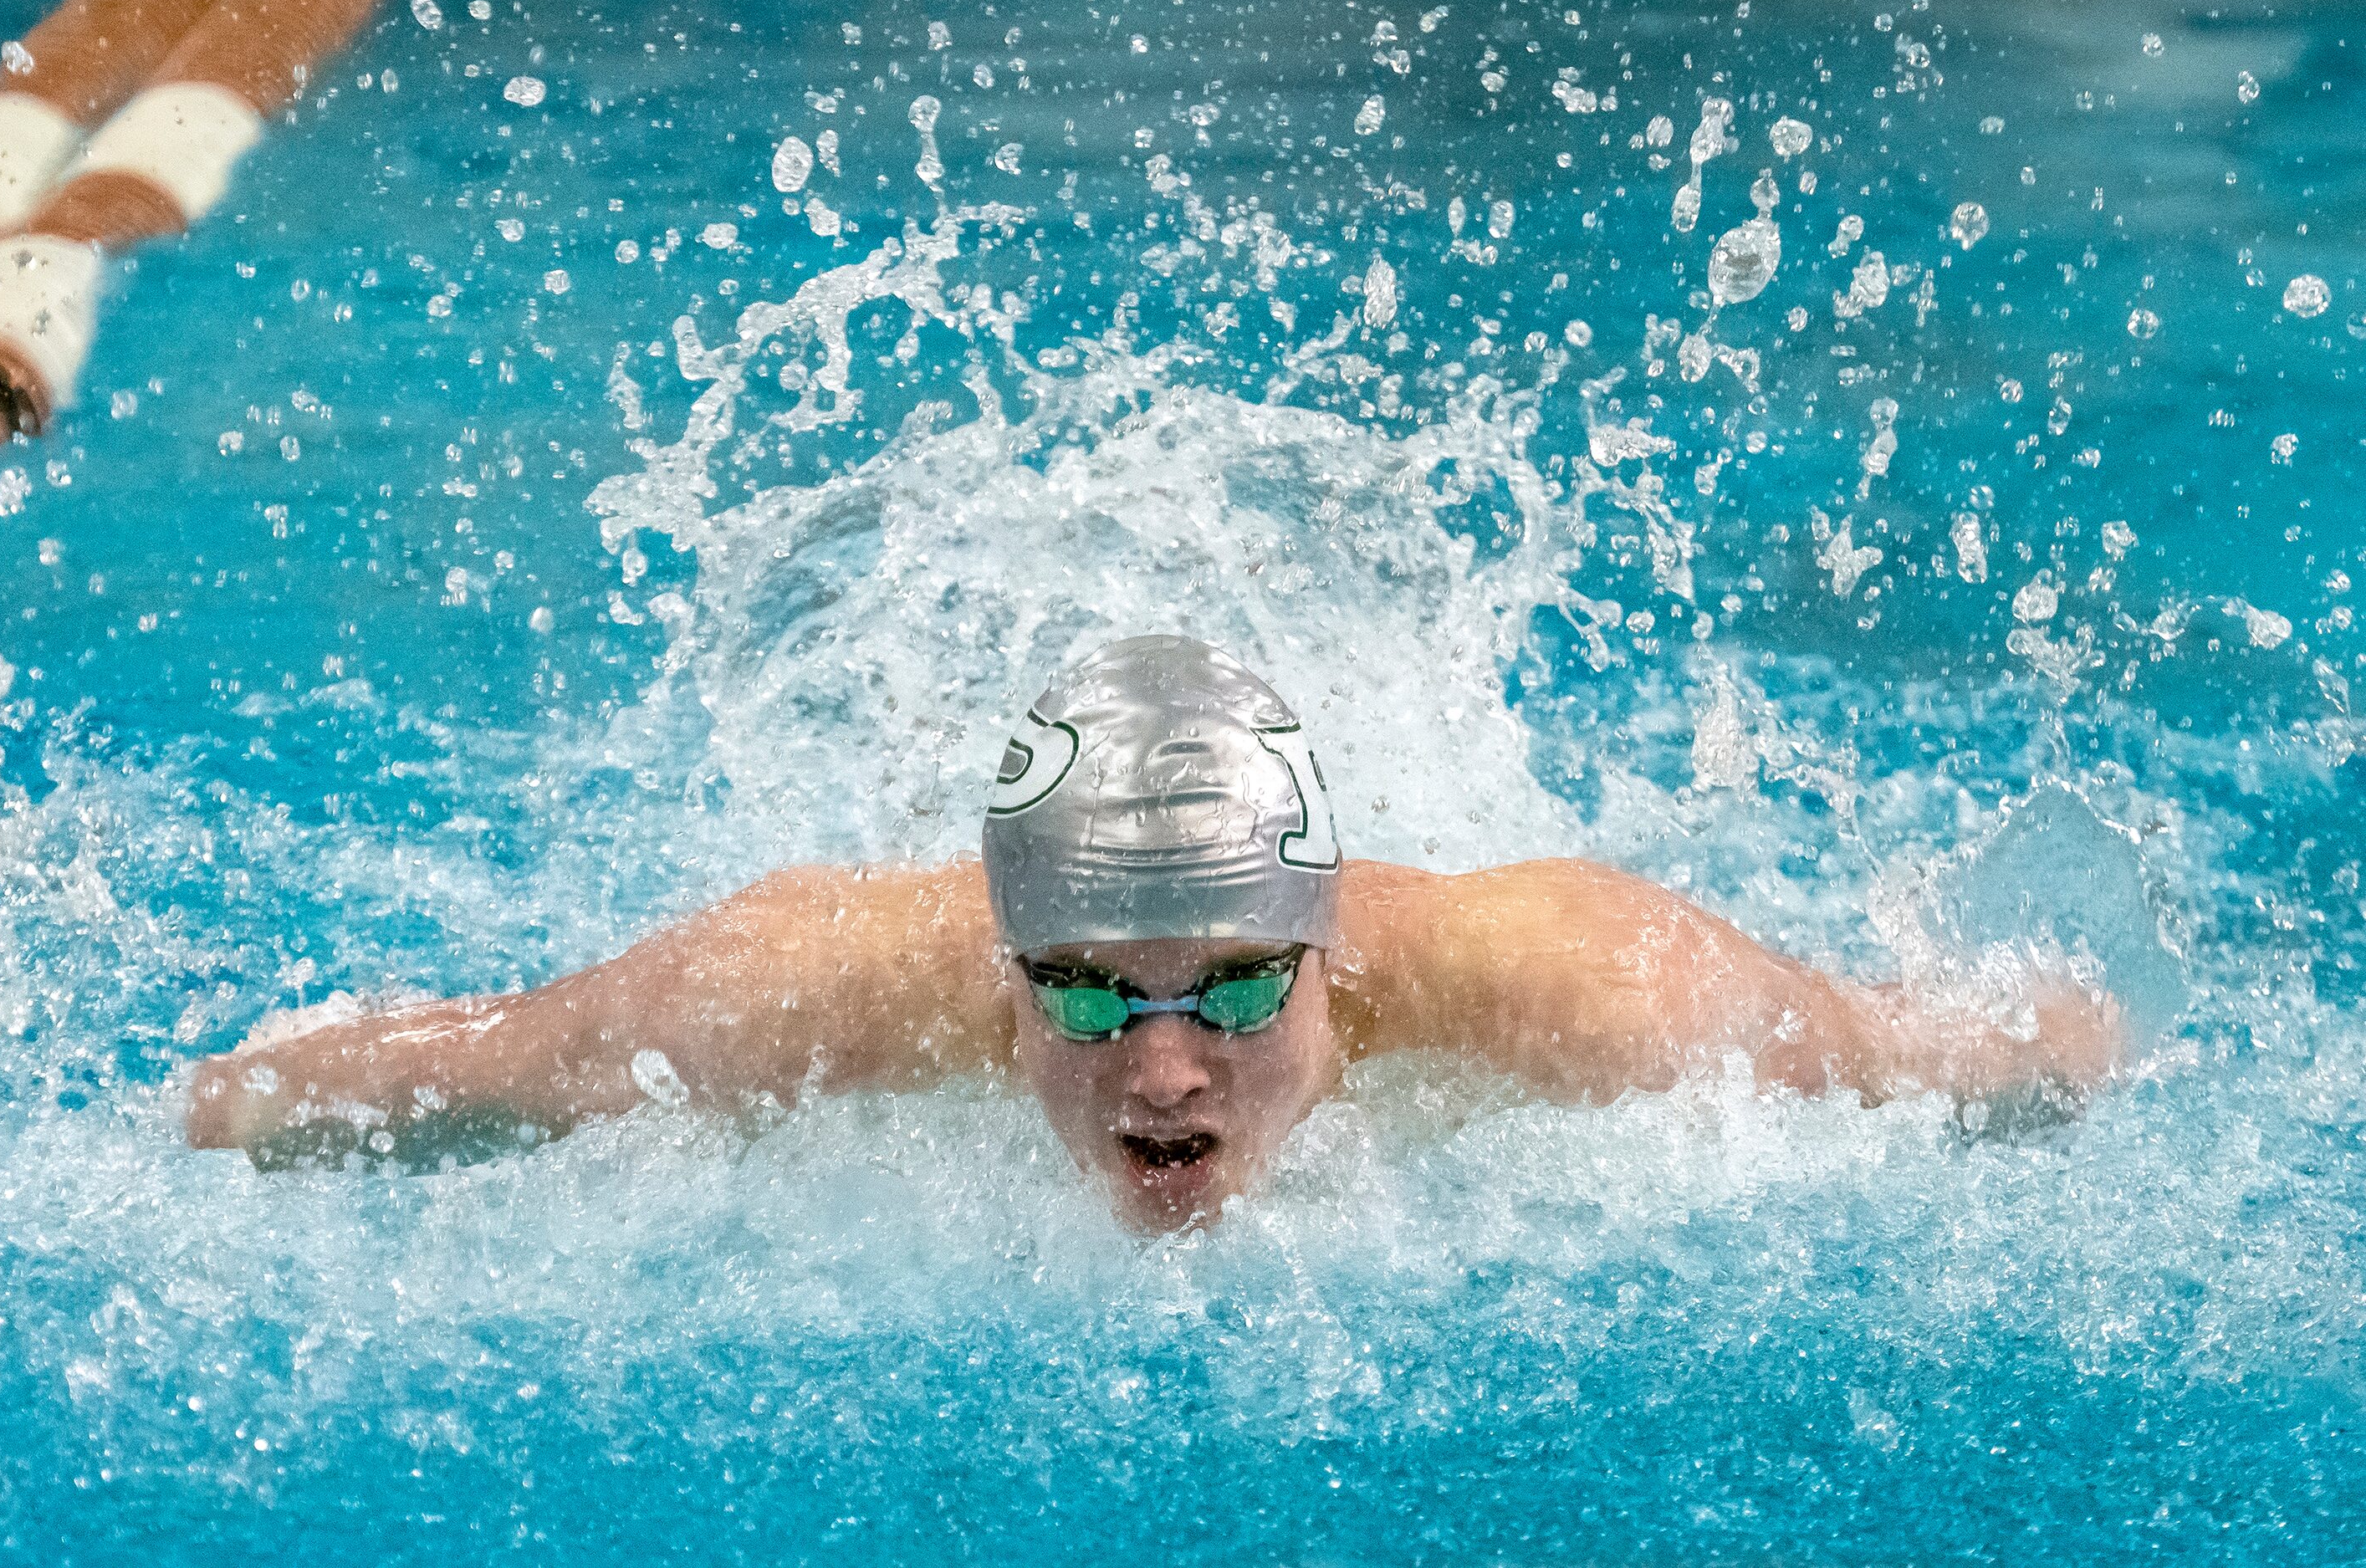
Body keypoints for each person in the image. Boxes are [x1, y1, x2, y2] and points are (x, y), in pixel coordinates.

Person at [187, 636, 2122, 1230]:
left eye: (1238, 988)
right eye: (1092, 991)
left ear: (1336, 954)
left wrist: (2056, 1060)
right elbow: (389, 1081)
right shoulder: (780, 999)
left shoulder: (1597, 998)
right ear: (1000, 969)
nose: (1166, 1065)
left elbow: (1979, 1050)